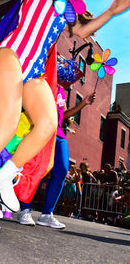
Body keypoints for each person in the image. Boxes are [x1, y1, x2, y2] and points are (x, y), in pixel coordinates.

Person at [0, 0, 130, 223]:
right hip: (12, 54)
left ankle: (3, 177)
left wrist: (113, 11)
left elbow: (80, 31)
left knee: (48, 124)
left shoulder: (67, 3)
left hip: (34, 72)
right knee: (8, 124)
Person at [17, 84, 95, 228]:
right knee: (37, 169)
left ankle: (46, 214)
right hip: (41, 129)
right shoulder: (42, 82)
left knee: (62, 171)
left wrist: (84, 103)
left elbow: (64, 115)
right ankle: (25, 210)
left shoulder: (61, 91)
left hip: (58, 133)